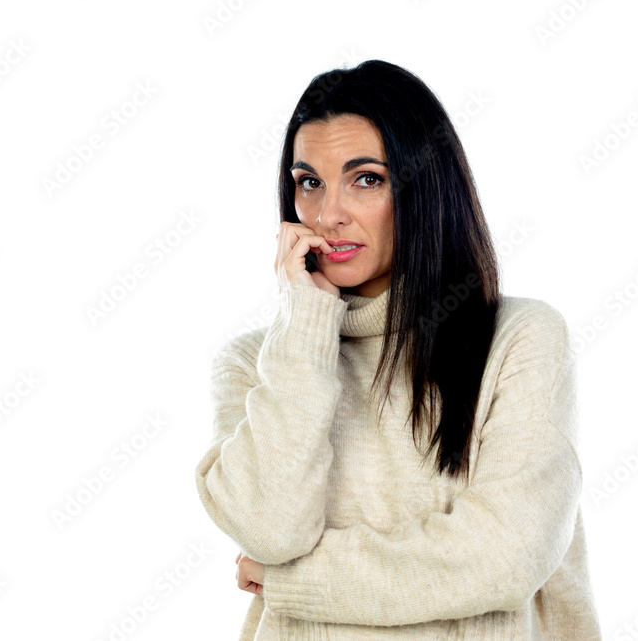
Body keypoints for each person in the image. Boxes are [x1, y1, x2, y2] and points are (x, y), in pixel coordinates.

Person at [195, 59, 602, 639]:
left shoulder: (519, 339)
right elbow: (269, 531)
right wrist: (306, 322)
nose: (328, 215)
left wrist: (290, 582)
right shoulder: (258, 363)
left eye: (366, 179)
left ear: (424, 187)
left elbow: (505, 558)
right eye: (309, 182)